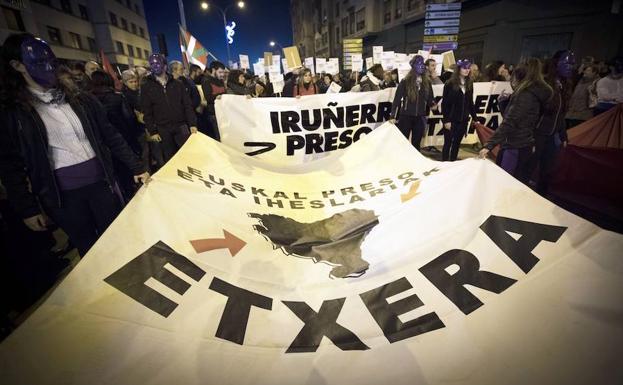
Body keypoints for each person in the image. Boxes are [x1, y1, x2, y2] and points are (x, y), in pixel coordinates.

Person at [0, 34, 149, 257]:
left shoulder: (80, 99)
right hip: (64, 198)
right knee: (90, 251)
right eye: (40, 63)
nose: (49, 67)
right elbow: (10, 165)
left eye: (52, 59)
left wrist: (137, 167)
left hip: (102, 184)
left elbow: (110, 135)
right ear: (17, 65)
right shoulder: (13, 113)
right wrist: (27, 208)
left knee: (120, 241)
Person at [479, 58, 552, 183]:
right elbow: (515, 116)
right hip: (523, 144)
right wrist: (504, 103)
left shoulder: (525, 95)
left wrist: (489, 145)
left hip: (515, 145)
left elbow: (510, 121)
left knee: (505, 182)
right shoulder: (531, 93)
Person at [528, 50, 574, 195]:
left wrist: (563, 134)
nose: (570, 67)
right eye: (567, 63)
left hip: (552, 136)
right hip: (536, 134)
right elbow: (532, 112)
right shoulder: (544, 84)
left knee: (547, 170)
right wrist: (530, 136)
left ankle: (541, 197)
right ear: (556, 63)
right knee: (528, 167)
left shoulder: (565, 85)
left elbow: (560, 114)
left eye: (572, 64)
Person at [140, 53, 197, 163]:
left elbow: (187, 105)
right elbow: (147, 110)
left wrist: (192, 124)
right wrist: (152, 131)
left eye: (158, 63)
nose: (155, 66)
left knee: (188, 155)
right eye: (152, 64)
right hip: (163, 129)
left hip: (181, 126)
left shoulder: (177, 84)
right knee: (170, 158)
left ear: (165, 65)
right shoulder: (147, 86)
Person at [389, 55, 435, 150]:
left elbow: (430, 98)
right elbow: (397, 99)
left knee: (416, 144)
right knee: (403, 143)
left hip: (420, 117)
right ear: (413, 66)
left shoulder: (427, 82)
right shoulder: (405, 81)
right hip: (406, 116)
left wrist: (433, 105)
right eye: (419, 63)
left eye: (422, 63)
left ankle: (415, 164)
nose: (421, 66)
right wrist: (393, 115)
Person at [441, 59, 479, 161]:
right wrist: (446, 120)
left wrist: (475, 119)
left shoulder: (470, 84)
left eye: (468, 68)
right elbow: (445, 104)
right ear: (458, 69)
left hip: (463, 121)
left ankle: (453, 163)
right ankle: (444, 164)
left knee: (457, 144)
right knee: (448, 143)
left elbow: (470, 103)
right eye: (464, 68)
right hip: (451, 120)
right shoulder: (449, 83)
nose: (467, 70)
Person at [201, 61, 226, 140]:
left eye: (223, 72)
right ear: (213, 70)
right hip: (213, 115)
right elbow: (208, 97)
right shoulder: (206, 80)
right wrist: (217, 97)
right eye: (220, 72)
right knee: (219, 138)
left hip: (223, 113)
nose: (222, 74)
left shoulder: (221, 81)